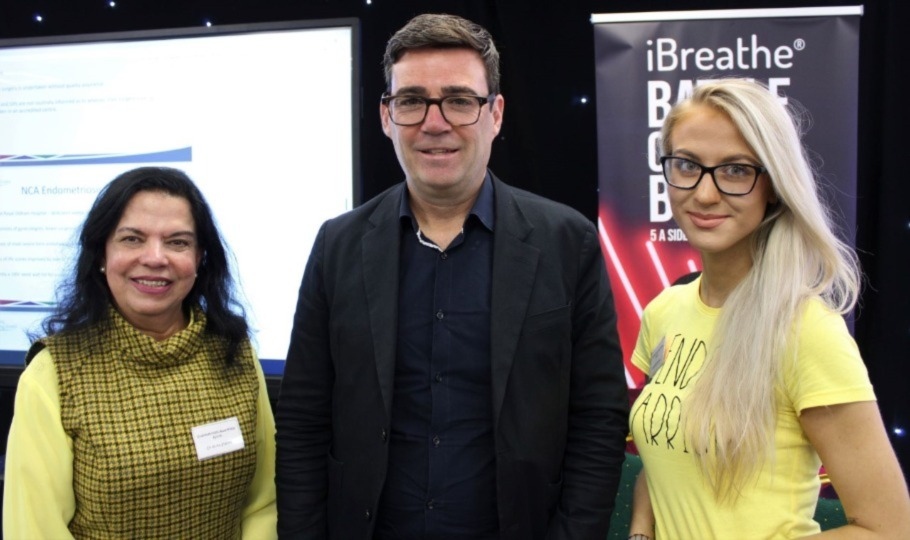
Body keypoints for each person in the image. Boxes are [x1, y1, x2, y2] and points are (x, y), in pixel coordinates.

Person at [275, 12, 629, 540]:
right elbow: (304, 420)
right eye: (412, 100)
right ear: (386, 117)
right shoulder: (338, 246)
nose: (434, 123)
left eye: (460, 100)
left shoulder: (565, 241)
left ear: (496, 114)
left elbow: (598, 418)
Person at [627, 79, 910, 539]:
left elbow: (889, 528)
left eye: (736, 170)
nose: (703, 194)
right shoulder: (665, 310)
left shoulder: (806, 330)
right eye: (687, 165)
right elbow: (665, 458)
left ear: (774, 185)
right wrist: (640, 531)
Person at [2, 167, 277, 538]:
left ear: (200, 259)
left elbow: (264, 503)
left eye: (178, 242)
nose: (155, 257)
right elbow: (35, 529)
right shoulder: (54, 374)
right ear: (102, 254)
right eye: (132, 239)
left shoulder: (235, 354)